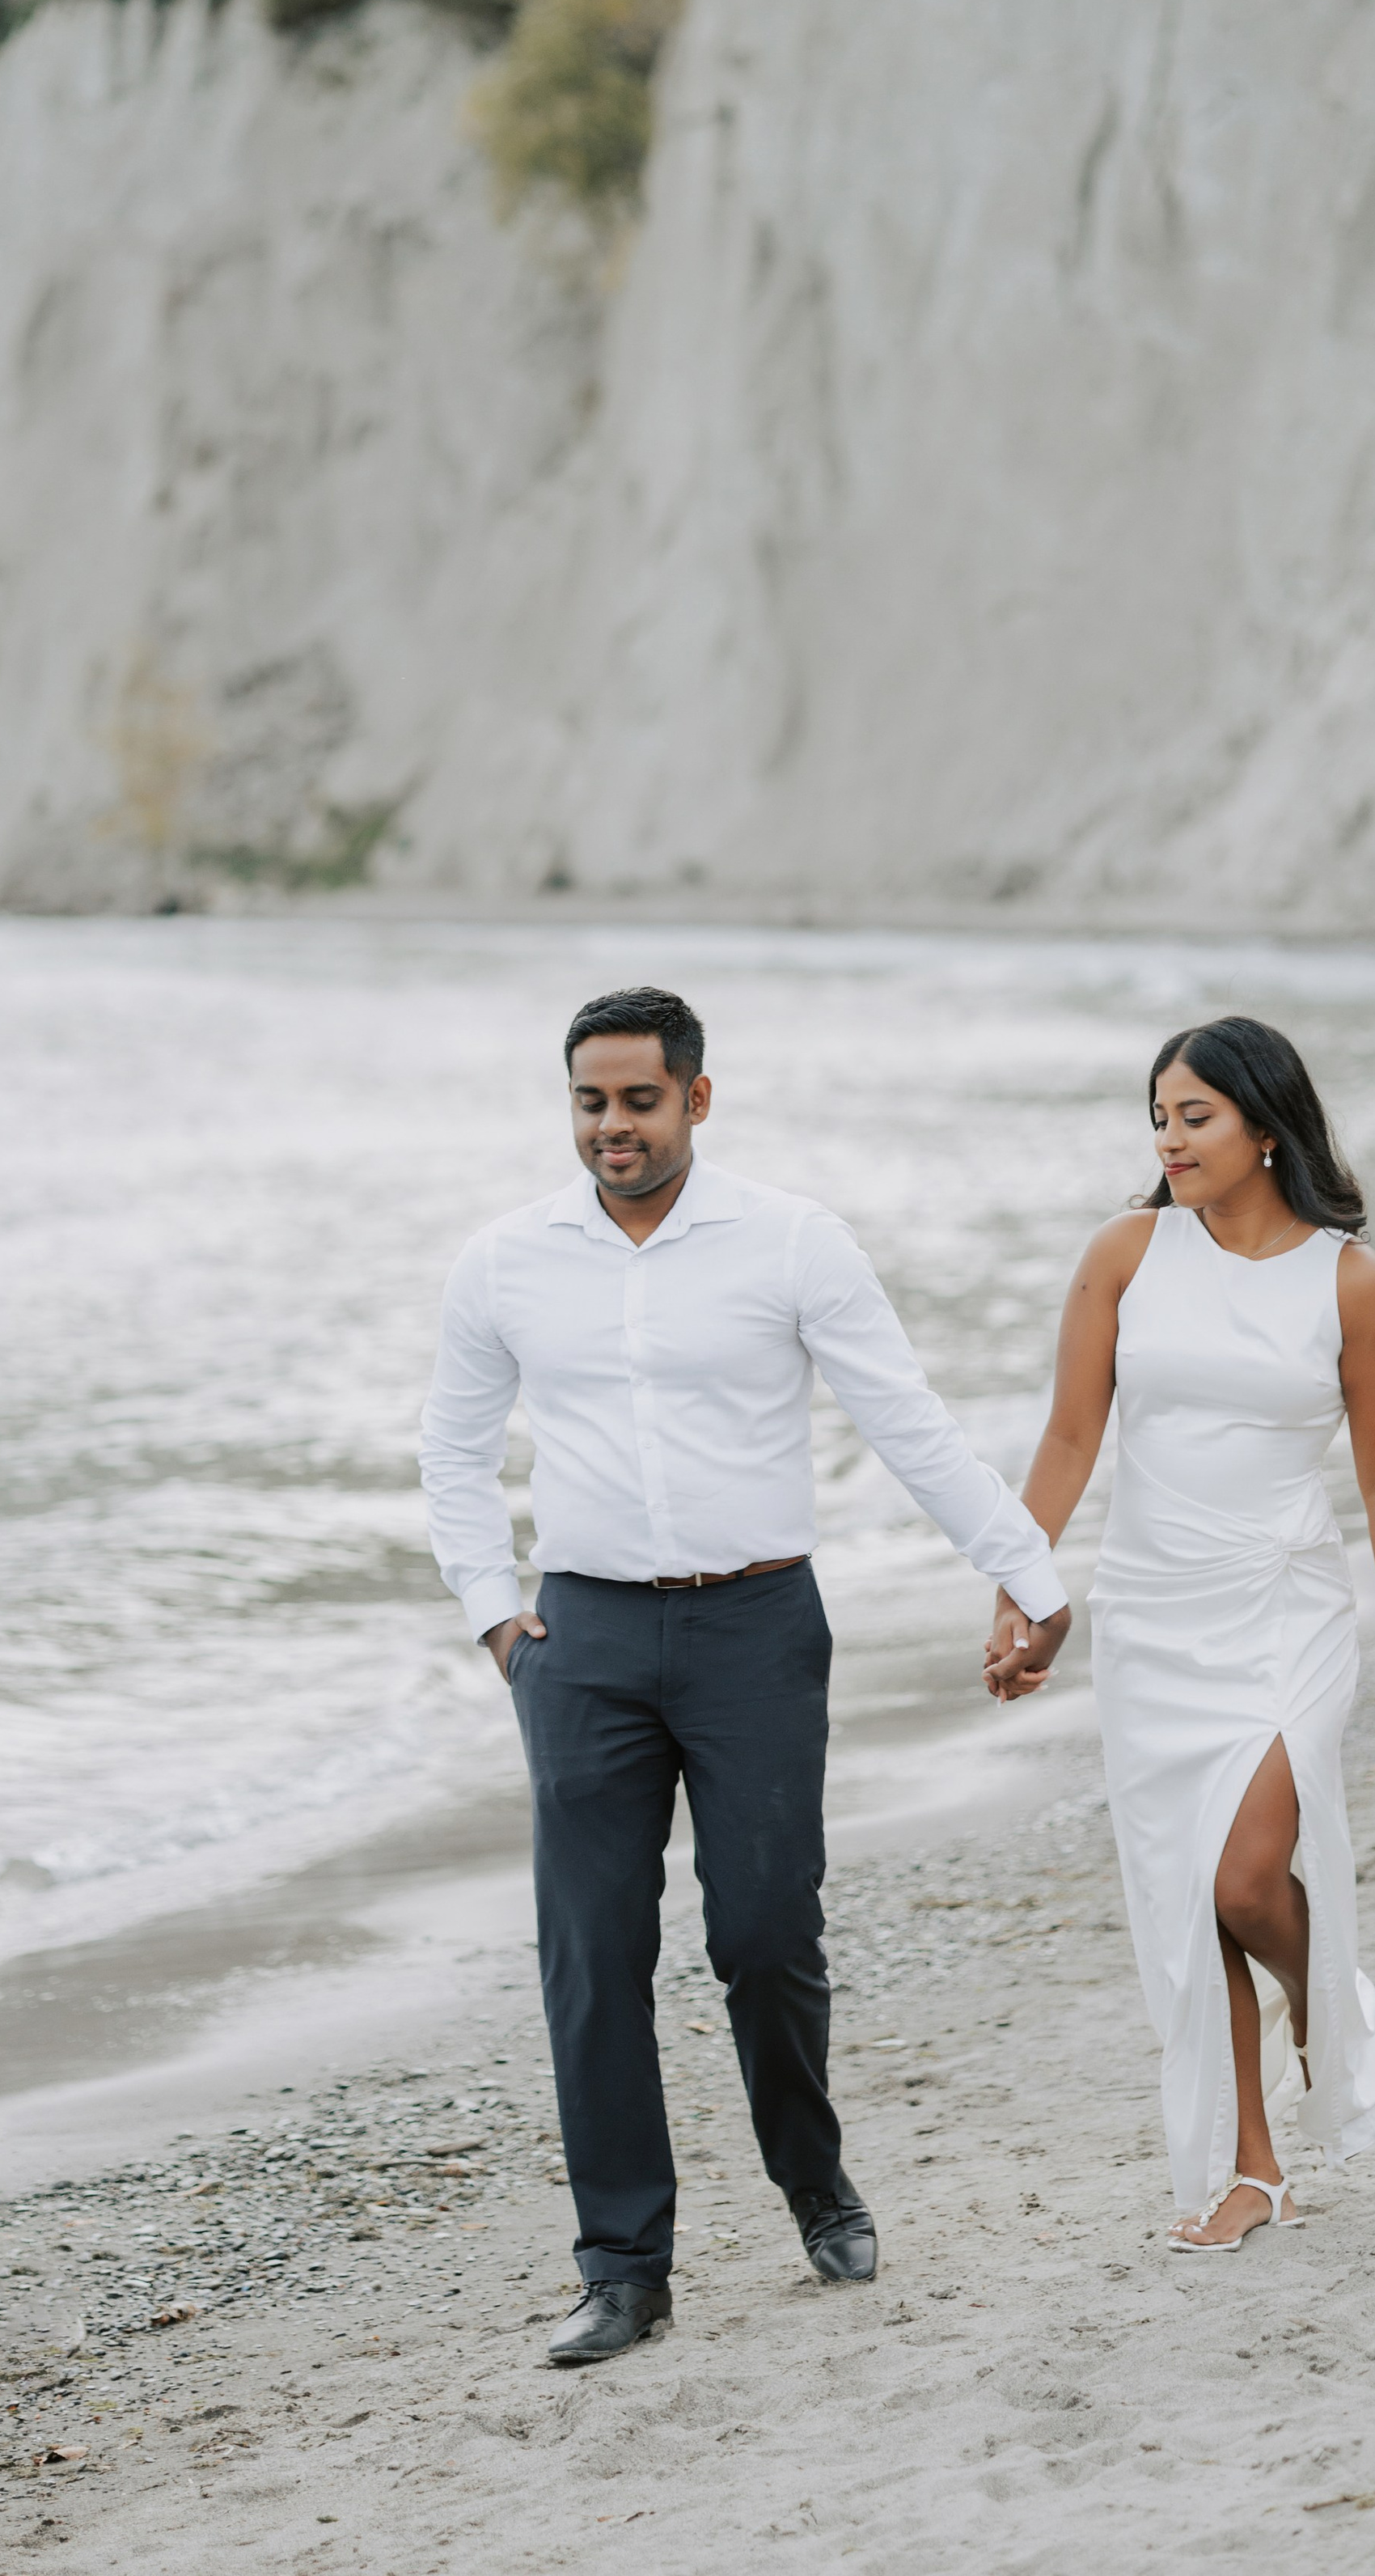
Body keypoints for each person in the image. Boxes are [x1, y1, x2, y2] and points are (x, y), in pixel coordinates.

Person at [420, 985, 1070, 2363]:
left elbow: (906, 1418)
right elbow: (454, 1452)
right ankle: (624, 2266)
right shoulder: (505, 1262)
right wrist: (496, 1622)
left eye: (639, 1100)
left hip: (757, 1631)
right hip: (581, 1645)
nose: (612, 1126)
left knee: (764, 1935)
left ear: (696, 1100)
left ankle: (811, 2179)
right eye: (590, 1101)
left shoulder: (791, 1242)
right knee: (592, 1954)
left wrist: (1026, 1568)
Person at [986, 1015, 1375, 2249]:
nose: (1169, 1138)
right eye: (1159, 1115)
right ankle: (1253, 2167)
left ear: (1264, 1124)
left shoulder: (1355, 1283)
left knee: (1248, 1880)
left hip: (1283, 1611)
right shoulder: (1127, 1255)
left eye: (1195, 1116)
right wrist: (1021, 1586)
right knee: (1193, 1903)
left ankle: (1316, 1989)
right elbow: (1070, 1442)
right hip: (1152, 1616)